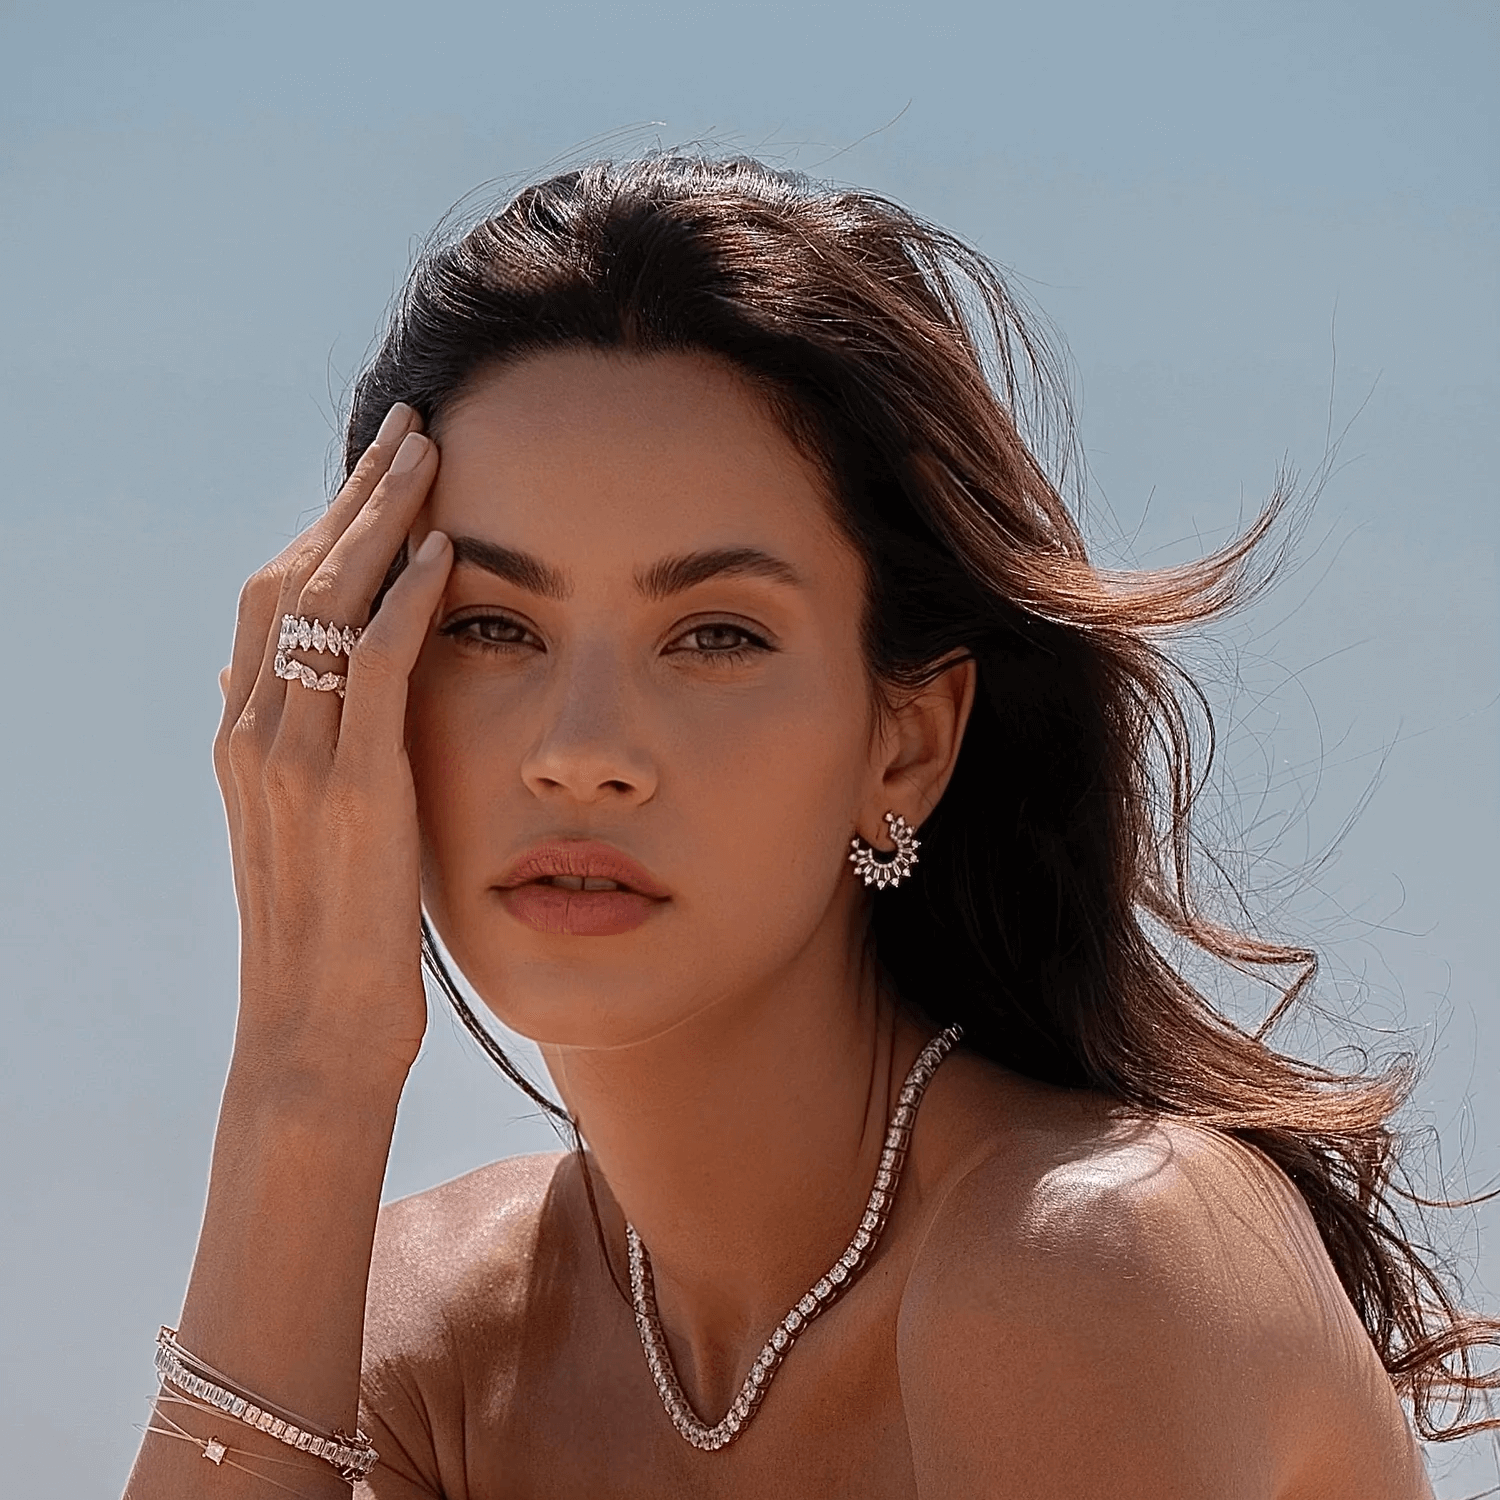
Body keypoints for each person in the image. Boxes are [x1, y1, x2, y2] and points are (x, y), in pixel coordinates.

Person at [124, 154, 1495, 1500]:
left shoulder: (1086, 1261)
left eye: (715, 635)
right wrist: (305, 1080)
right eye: (493, 626)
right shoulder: (424, 1347)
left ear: (904, 742)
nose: (583, 752)